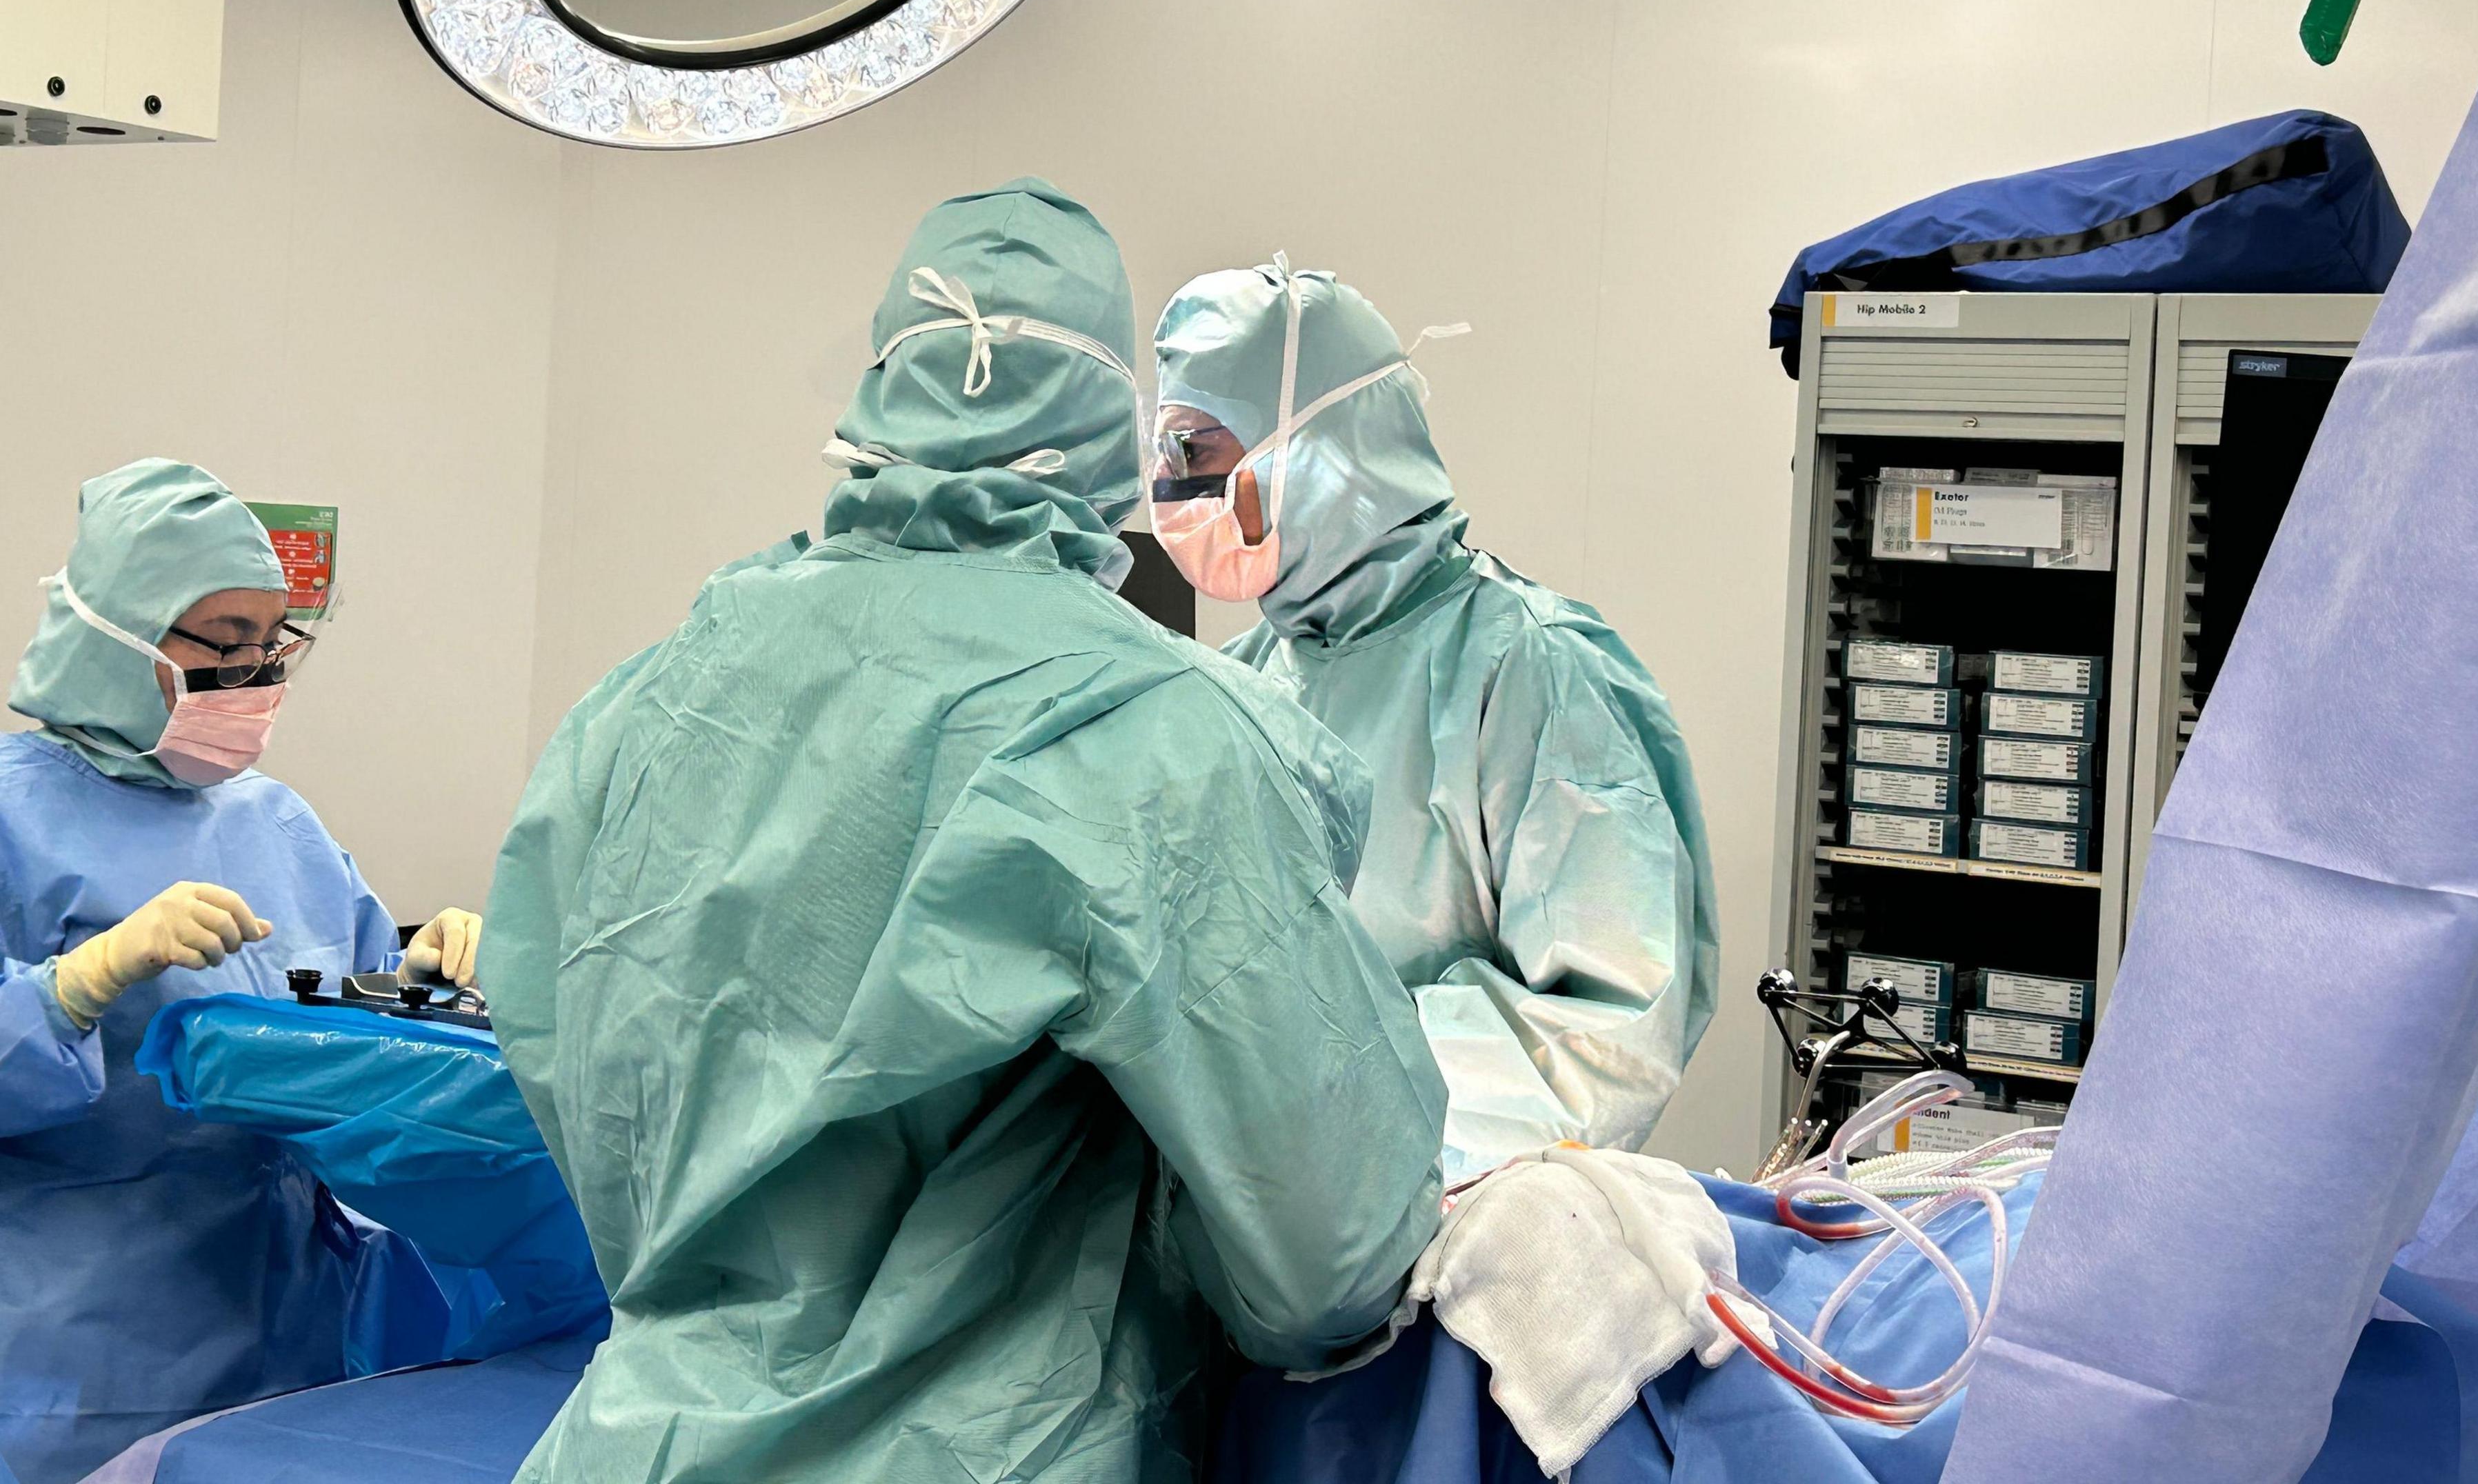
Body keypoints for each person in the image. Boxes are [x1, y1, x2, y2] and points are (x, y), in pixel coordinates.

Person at [479, 180, 1446, 1483]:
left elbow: (571, 1076)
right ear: (1119, 428)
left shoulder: (645, 701)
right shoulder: (1156, 732)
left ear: (881, 399)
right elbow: (1330, 1257)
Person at [1150, 261, 1719, 1182]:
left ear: (1325, 444)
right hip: (1268, 1213)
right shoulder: (1253, 675)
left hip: (1455, 1215)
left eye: (1197, 452)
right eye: (1166, 453)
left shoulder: (1525, 668)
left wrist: (1312, 1077)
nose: (1172, 494)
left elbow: (1606, 1034)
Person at [0, 459, 485, 1484]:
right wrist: (74, 987)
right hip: (77, 1342)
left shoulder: (275, 820)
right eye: (225, 644)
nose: (257, 675)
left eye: (275, 646)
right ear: (115, 636)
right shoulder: (13, 818)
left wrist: (422, 984)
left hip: (287, 1316)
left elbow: (327, 1005)